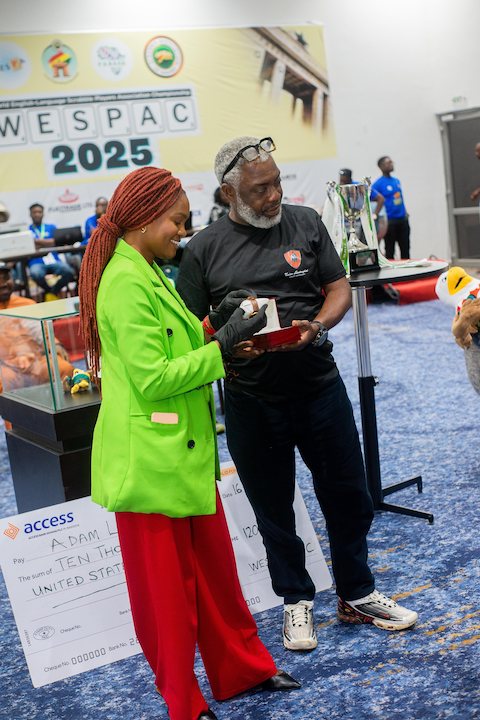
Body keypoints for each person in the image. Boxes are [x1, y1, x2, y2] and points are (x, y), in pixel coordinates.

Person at [176, 135, 419, 654]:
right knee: (273, 508)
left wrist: (319, 325)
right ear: (228, 193)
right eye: (259, 189)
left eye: (277, 183)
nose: (274, 196)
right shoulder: (202, 249)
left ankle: (357, 592)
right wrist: (225, 344)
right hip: (252, 399)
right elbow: (188, 328)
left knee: (349, 495)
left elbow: (337, 288)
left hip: (319, 388)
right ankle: (295, 599)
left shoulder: (306, 222)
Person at [78, 166, 300, 720]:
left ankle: (241, 669)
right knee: (166, 600)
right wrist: (221, 348)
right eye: (176, 222)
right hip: (149, 464)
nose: (183, 232)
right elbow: (153, 378)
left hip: (184, 453)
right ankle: (183, 701)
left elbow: (170, 345)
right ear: (143, 218)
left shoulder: (148, 270)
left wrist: (212, 326)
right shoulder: (124, 281)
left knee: (217, 575)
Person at [0, 265, 73, 394]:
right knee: (4, 381)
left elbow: (44, 333)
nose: (3, 284)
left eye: (6, 278)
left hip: (36, 361)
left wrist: (55, 345)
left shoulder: (27, 304)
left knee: (64, 369)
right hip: (6, 367)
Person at [28, 203, 75, 300]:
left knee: (69, 272)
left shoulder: (51, 227)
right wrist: (48, 242)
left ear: (43, 214)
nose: (37, 214)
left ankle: (51, 292)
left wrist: (37, 242)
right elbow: (30, 245)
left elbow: (56, 241)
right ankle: (50, 291)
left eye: (39, 212)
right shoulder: (27, 231)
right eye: (34, 212)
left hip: (54, 260)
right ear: (30, 214)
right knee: (35, 273)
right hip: (37, 262)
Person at [371, 156, 410, 259]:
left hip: (402, 220)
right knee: (390, 250)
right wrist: (376, 215)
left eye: (391, 162)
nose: (391, 164)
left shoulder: (396, 181)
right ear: (381, 166)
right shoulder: (377, 184)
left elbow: (400, 198)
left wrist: (405, 213)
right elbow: (373, 200)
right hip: (389, 222)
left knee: (405, 250)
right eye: (388, 163)